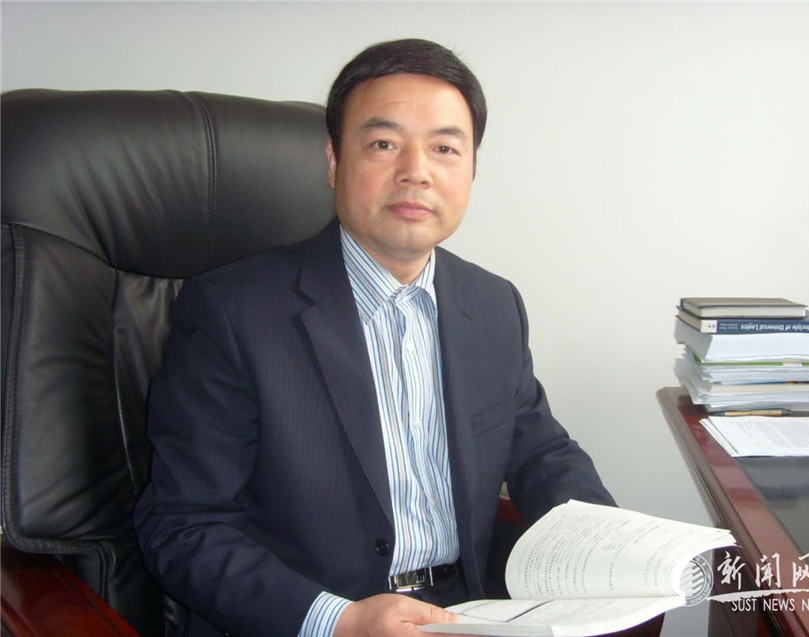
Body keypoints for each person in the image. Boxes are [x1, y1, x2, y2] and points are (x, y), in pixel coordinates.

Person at [134, 38, 615, 637]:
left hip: (467, 614)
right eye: (384, 144)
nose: (416, 171)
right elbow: (182, 525)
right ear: (334, 161)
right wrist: (336, 621)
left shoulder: (493, 305)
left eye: (445, 148)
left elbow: (543, 455)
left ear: (471, 169)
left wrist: (619, 548)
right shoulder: (231, 313)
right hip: (310, 619)